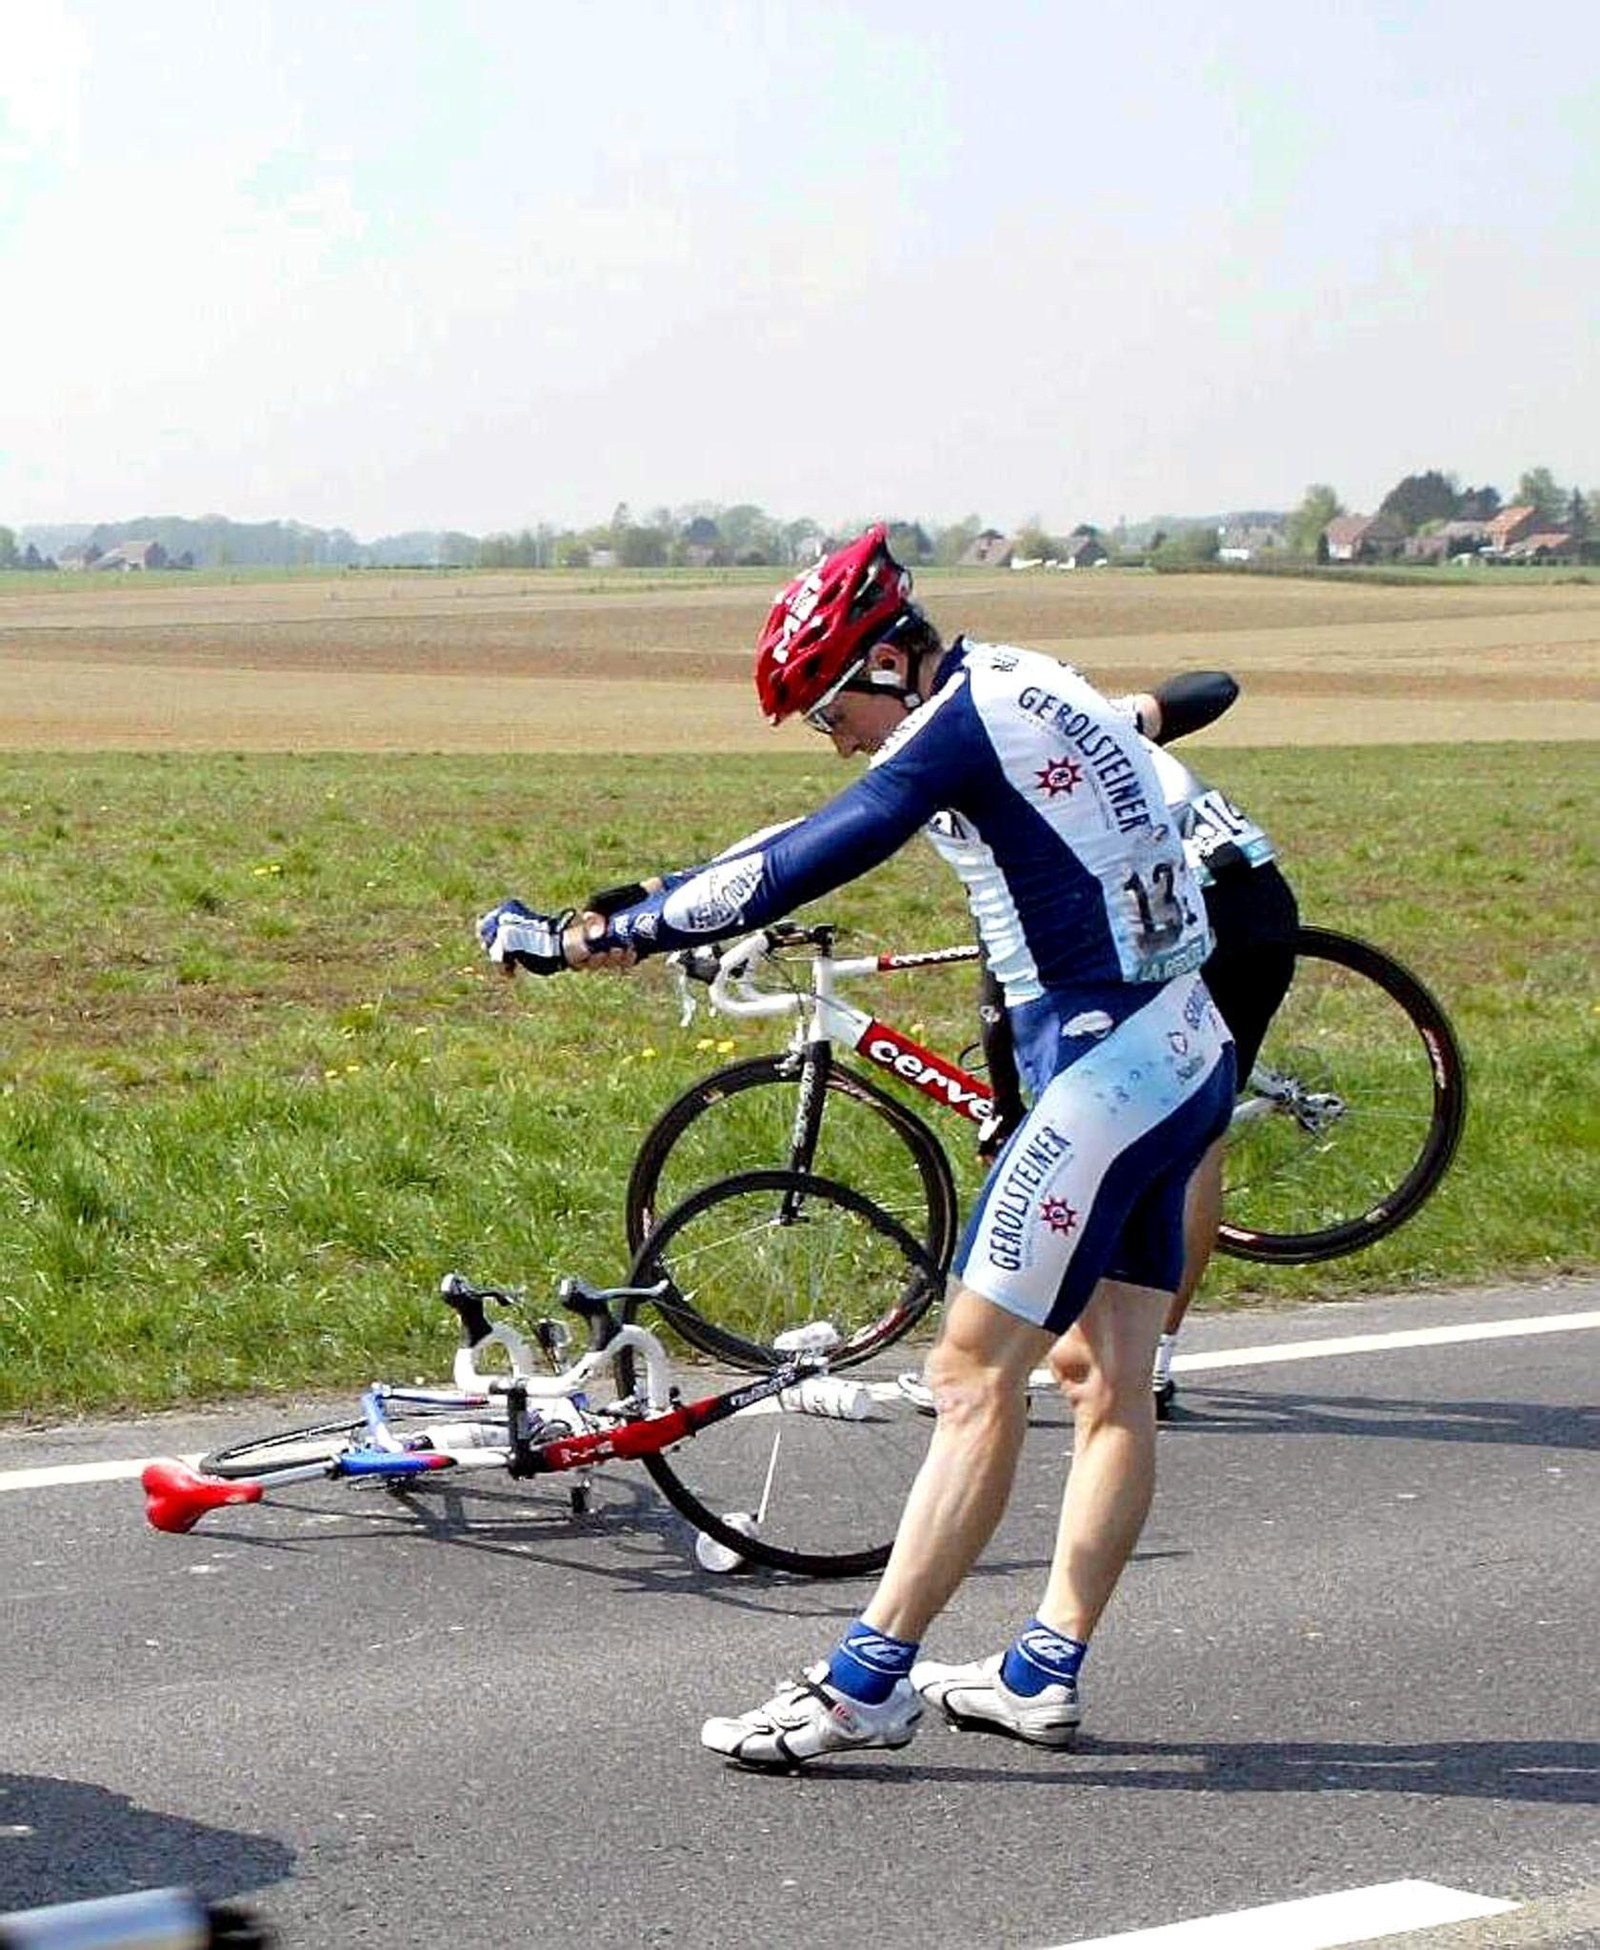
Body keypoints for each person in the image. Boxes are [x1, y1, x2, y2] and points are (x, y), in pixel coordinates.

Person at [477, 525, 1235, 1771]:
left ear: (889, 657)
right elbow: (805, 825)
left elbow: (810, 855)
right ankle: (1043, 1670)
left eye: (831, 707)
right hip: (1183, 1050)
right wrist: (640, 903)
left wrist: (585, 943)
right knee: (1107, 1382)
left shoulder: (953, 723)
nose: (832, 732)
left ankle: (863, 1684)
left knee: (969, 1376)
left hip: (1103, 1074)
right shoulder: (1016, 676)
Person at [974, 676, 1299, 1417]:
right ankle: (1151, 1359)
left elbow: (1001, 963)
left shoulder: (1008, 789)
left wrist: (1004, 1104)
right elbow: (1218, 686)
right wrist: (1139, 710)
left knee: (1096, 1137)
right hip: (1260, 901)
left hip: (1191, 923)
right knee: (1197, 1146)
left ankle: (1009, 1361)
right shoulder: (1094, 729)